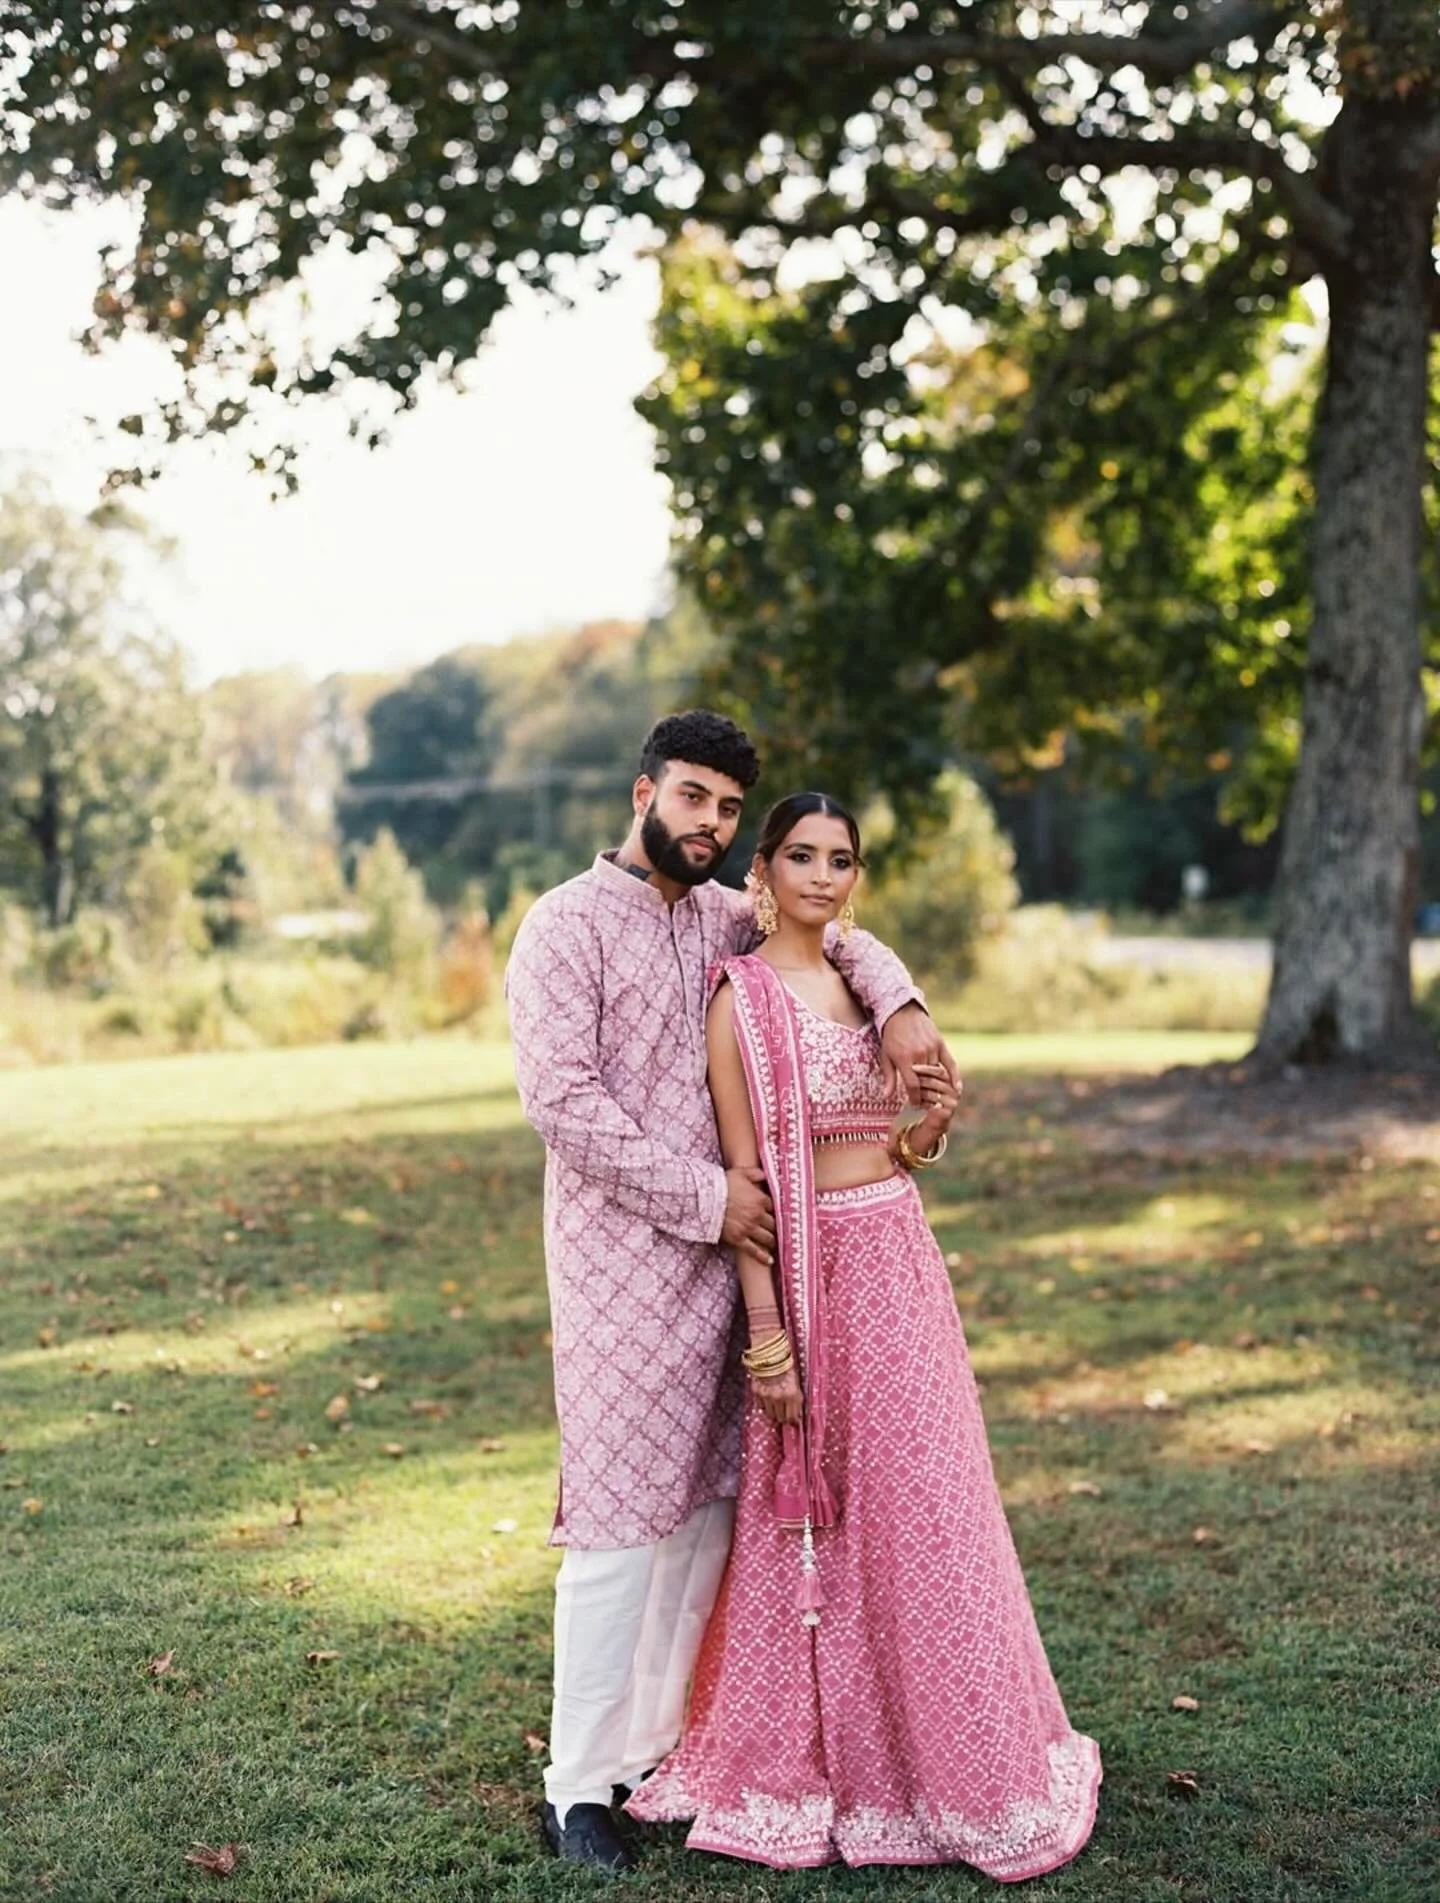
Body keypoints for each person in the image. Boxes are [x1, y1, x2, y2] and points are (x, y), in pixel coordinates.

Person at [504, 713, 958, 1875]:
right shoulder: (561, 928)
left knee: (714, 1517)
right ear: (644, 790)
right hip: (624, 1274)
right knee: (616, 1529)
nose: (706, 822)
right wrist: (711, 1199)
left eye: (723, 808)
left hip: (752, 1275)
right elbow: (564, 1105)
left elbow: (837, 936)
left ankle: (655, 1750)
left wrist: (900, 1001)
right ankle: (576, 1787)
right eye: (692, 796)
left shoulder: (722, 916)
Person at [626, 791, 1101, 1879]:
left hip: (898, 1259)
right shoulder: (738, 999)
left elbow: (893, 1147)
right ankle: (841, 1753)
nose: (823, 876)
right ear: (764, 867)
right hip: (809, 1278)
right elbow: (747, 1183)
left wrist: (927, 1123)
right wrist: (766, 1335)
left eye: (842, 860)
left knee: (927, 1504)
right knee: (833, 1511)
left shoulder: (865, 982)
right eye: (802, 855)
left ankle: (953, 1750)